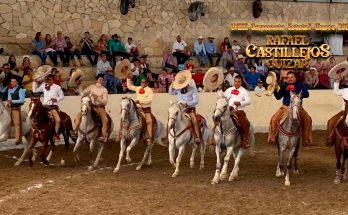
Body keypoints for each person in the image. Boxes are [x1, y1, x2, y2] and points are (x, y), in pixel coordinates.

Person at [268, 71, 312, 146]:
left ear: (295, 78)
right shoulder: (284, 85)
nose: (290, 79)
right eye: (288, 78)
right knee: (273, 119)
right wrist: (274, 89)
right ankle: (272, 138)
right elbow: (278, 97)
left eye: (291, 77)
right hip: (285, 107)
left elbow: (307, 94)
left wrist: (298, 93)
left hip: (297, 107)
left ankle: (306, 138)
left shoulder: (300, 85)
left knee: (308, 119)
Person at [75, 74, 110, 142]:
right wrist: (79, 85)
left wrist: (97, 98)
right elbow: (82, 93)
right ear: (96, 80)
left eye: (102, 80)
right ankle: (75, 130)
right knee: (78, 115)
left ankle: (102, 135)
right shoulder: (91, 87)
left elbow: (105, 102)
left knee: (105, 120)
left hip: (100, 107)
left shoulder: (104, 90)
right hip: (91, 106)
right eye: (100, 79)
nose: (101, 81)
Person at [168, 71, 201, 144]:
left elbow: (196, 101)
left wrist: (187, 104)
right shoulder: (179, 89)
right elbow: (171, 92)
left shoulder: (193, 89)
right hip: (180, 109)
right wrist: (172, 83)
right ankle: (168, 134)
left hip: (190, 109)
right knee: (171, 117)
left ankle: (196, 136)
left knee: (194, 121)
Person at [32, 74, 64, 141]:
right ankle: (37, 132)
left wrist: (56, 99)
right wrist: (34, 82)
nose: (49, 81)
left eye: (50, 79)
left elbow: (62, 97)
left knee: (57, 120)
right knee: (35, 116)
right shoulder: (44, 85)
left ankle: (56, 134)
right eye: (48, 79)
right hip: (45, 106)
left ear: (53, 80)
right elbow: (35, 90)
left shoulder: (58, 87)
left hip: (53, 106)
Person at [223, 75, 251, 149]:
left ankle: (245, 140)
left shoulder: (244, 91)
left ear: (241, 82)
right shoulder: (228, 90)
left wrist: (240, 103)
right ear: (233, 81)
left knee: (244, 123)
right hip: (228, 110)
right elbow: (223, 98)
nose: (237, 83)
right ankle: (214, 137)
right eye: (235, 81)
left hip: (239, 111)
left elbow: (249, 101)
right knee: (217, 117)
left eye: (238, 82)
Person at [126, 76, 154, 145]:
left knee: (149, 121)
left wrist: (140, 101)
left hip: (145, 109)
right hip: (137, 108)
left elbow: (149, 100)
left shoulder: (149, 90)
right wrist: (128, 79)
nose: (142, 83)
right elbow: (129, 86)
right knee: (126, 115)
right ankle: (122, 133)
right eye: (141, 82)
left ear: (147, 83)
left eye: (144, 82)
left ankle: (149, 137)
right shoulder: (138, 88)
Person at [2, 76, 26, 144]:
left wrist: (12, 101)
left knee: (16, 123)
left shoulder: (20, 89)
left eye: (14, 81)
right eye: (11, 81)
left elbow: (21, 100)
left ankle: (18, 138)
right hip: (10, 107)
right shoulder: (10, 89)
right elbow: (9, 99)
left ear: (17, 82)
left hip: (16, 108)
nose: (12, 83)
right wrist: (7, 102)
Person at [327, 75, 347, 146]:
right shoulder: (345, 90)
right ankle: (330, 140)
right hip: (344, 112)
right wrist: (337, 81)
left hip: (344, 112)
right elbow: (336, 92)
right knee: (331, 122)